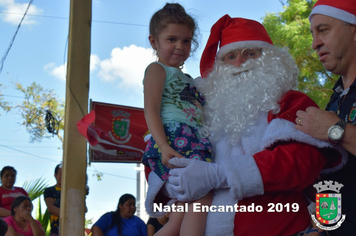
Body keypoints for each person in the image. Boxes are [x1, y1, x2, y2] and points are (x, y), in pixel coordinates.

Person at [164, 15, 346, 235]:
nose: (240, 63)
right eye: (230, 56)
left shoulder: (290, 102)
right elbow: (168, 151)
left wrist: (221, 174)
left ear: (270, 60)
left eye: (250, 53)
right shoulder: (202, 111)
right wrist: (171, 183)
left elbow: (302, 162)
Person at [142, 3, 212, 236]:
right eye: (171, 39)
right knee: (203, 193)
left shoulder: (188, 78)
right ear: (154, 42)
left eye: (186, 41)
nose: (180, 46)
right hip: (175, 139)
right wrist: (163, 145)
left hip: (193, 139)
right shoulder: (157, 69)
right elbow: (151, 109)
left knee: (177, 220)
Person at [295, 0, 356, 234]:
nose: (314, 44)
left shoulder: (330, 117)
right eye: (313, 34)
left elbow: (335, 131)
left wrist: (336, 130)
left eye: (323, 30)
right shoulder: (335, 97)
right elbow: (332, 179)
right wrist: (321, 227)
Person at [43, 164, 61, 236]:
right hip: (56, 230)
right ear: (55, 176)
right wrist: (71, 215)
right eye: (61, 174)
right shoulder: (49, 190)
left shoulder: (73, 192)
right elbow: (51, 208)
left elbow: (84, 209)